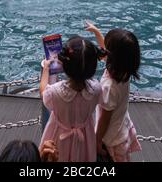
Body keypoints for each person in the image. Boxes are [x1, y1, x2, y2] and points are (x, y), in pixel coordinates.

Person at [39, 36, 106, 163]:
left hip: (58, 137)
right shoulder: (97, 90)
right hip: (85, 139)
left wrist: (46, 69)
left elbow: (43, 93)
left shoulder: (55, 92)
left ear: (63, 65)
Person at [85, 22, 142, 163]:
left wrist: (97, 141)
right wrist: (97, 32)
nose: (104, 50)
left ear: (112, 56)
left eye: (107, 49)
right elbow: (106, 51)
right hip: (122, 126)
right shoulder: (124, 71)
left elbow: (105, 118)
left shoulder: (109, 86)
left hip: (110, 139)